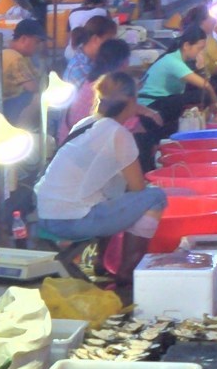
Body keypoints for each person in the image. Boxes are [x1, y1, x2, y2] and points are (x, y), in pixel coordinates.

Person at [31, 71, 168, 257]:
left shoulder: (86, 124)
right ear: (130, 102)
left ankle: (103, 263)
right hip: (71, 221)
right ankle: (129, 270)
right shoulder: (118, 134)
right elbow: (138, 188)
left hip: (45, 214)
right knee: (156, 197)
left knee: (110, 197)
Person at [138, 24, 217, 145]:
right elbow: (205, 85)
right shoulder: (173, 61)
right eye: (199, 48)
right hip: (151, 103)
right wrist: (215, 106)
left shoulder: (180, 60)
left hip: (162, 100)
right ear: (187, 45)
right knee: (203, 94)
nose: (201, 53)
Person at [0, 19, 46, 121]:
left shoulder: (18, 56)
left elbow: (37, 77)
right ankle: (21, 131)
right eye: (37, 42)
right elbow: (33, 87)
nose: (39, 47)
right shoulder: (14, 58)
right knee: (38, 98)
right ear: (24, 39)